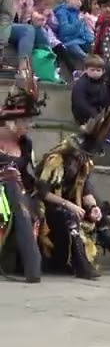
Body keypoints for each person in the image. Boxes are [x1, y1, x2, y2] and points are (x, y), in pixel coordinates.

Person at [37, 81, 110, 279]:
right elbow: (43, 192)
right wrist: (69, 205)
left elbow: (84, 187)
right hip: (49, 206)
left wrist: (93, 206)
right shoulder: (56, 160)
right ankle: (80, 264)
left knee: (100, 214)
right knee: (70, 216)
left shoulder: (83, 162)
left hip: (72, 203)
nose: (88, 157)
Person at [0, 73, 44, 283]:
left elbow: (28, 174)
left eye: (29, 121)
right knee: (11, 188)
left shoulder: (26, 144)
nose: (28, 126)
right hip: (3, 194)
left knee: (23, 199)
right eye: (24, 121)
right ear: (10, 122)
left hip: (20, 193)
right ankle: (32, 266)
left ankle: (32, 266)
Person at [70, 56, 110, 126]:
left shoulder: (104, 83)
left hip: (100, 113)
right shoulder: (81, 84)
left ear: (103, 71)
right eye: (92, 70)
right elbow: (80, 103)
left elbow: (106, 100)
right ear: (86, 69)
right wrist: (95, 115)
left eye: (98, 70)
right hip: (84, 116)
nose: (95, 73)